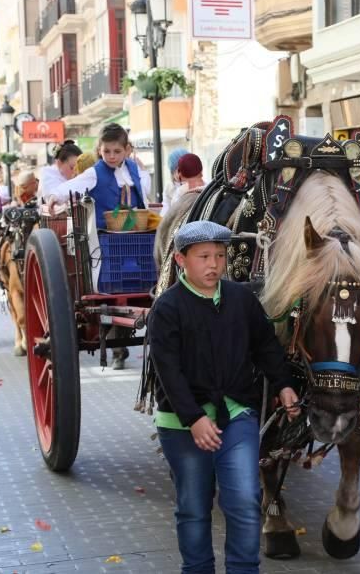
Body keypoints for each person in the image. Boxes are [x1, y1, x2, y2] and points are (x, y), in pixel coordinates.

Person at [148, 220, 300, 574]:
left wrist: (284, 384)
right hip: (182, 425)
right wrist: (194, 418)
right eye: (203, 256)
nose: (214, 264)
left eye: (219, 255)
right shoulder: (168, 308)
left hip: (236, 416)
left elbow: (265, 345)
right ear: (182, 259)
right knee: (194, 507)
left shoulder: (241, 299)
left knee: (245, 500)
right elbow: (167, 372)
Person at [46, 124, 151, 229]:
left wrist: (144, 172)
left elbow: (145, 190)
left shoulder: (134, 167)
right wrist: (55, 195)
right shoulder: (95, 172)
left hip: (136, 231)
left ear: (126, 150)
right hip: (106, 234)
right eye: (107, 151)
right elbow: (76, 184)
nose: (112, 156)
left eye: (117, 151)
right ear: (99, 150)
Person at [161, 148, 190, 217]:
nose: (179, 174)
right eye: (176, 170)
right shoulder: (169, 187)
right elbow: (166, 207)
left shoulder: (194, 184)